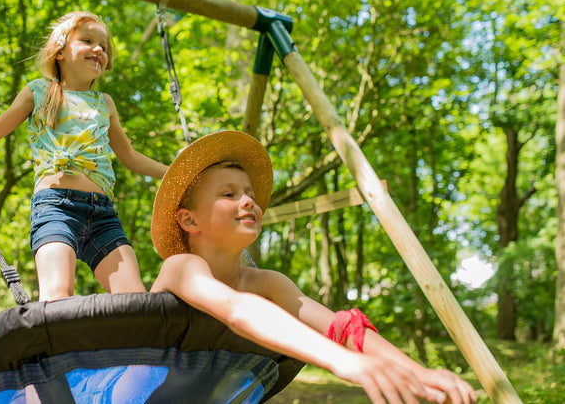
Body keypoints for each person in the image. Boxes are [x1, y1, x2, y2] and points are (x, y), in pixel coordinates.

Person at [149, 130, 477, 404]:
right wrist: (345, 363)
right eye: (229, 194)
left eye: (249, 193)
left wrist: (420, 374)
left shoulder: (268, 283)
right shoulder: (181, 267)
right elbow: (236, 310)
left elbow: (341, 328)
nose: (248, 201)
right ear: (189, 220)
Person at [0, 10, 168, 301]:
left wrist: (176, 172)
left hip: (102, 213)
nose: (98, 49)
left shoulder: (105, 103)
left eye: (104, 47)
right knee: (57, 294)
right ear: (60, 51)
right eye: (88, 40)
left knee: (134, 297)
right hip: (56, 207)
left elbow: (130, 157)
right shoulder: (40, 92)